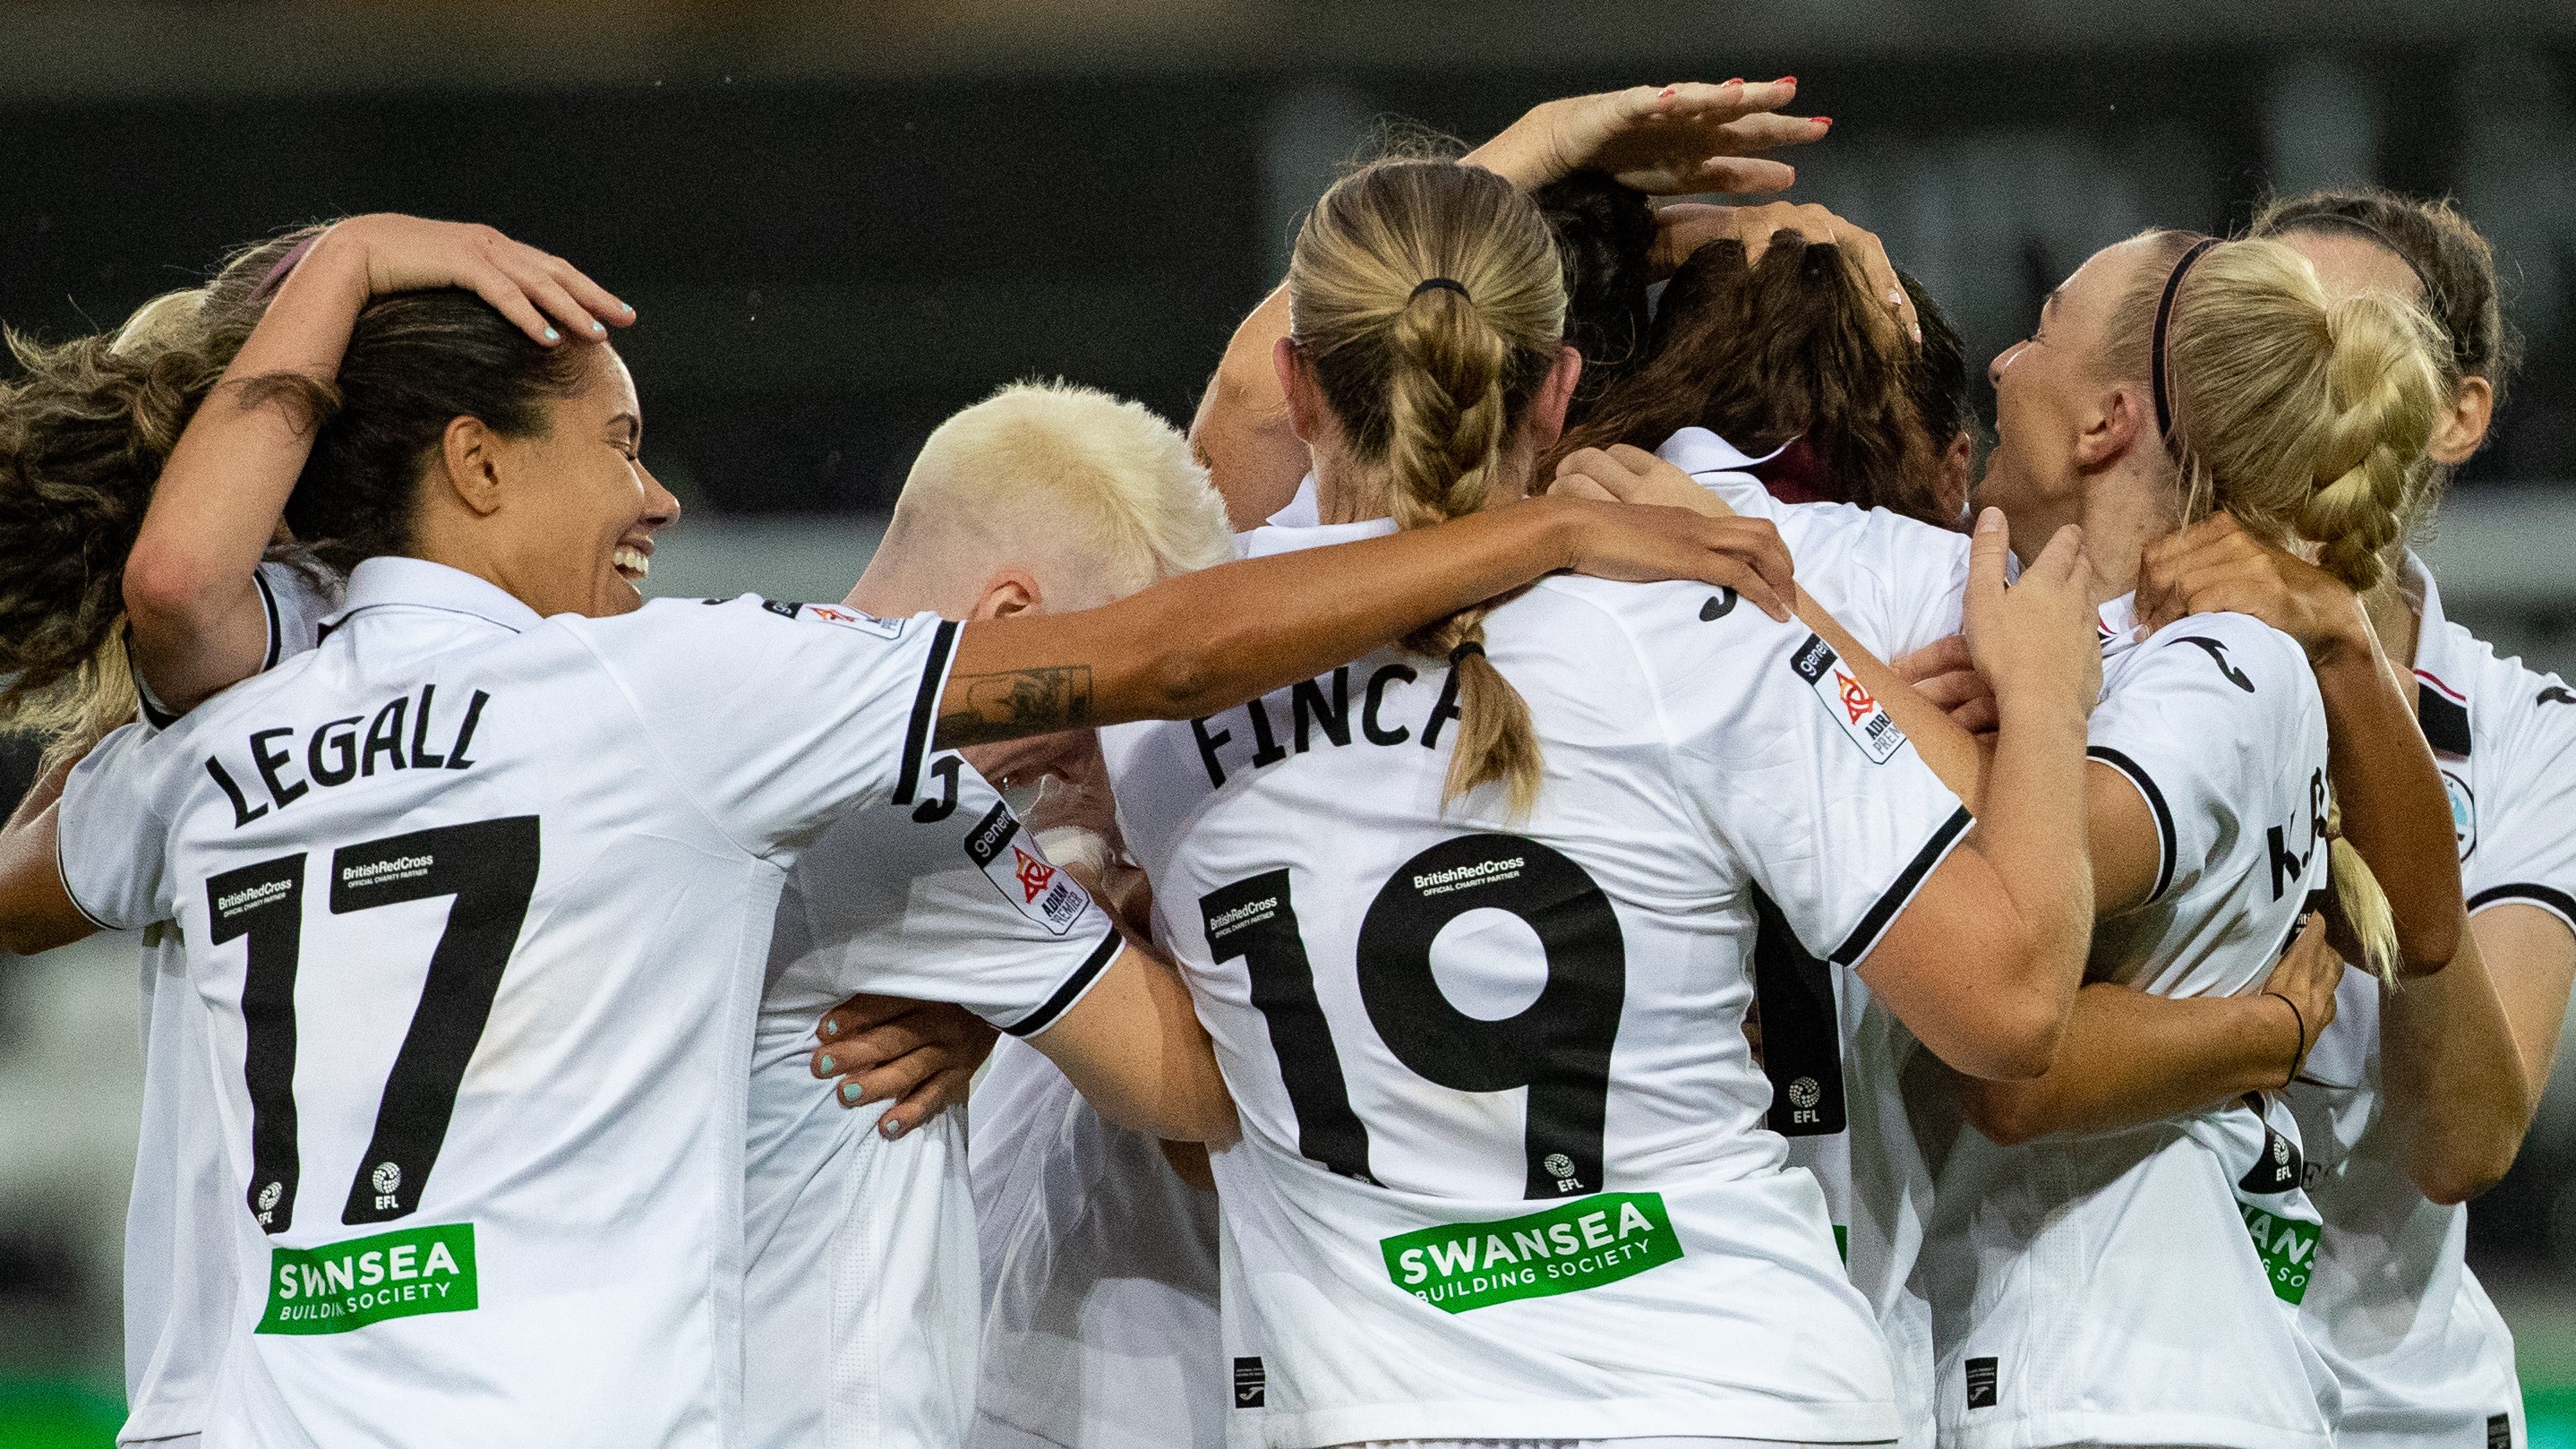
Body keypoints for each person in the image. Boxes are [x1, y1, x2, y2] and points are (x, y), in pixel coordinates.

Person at [13, 215, 1793, 1448]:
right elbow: (1154, 660)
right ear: (478, 464)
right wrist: (1527, 537)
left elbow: (56, 834)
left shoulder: (199, 752)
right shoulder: (681, 707)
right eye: (621, 444)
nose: (656, 498)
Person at [1101, 152, 2103, 1446]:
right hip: (1737, 1392)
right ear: (1565, 385)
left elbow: (1199, 1114)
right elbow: (2012, 1004)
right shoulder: (1687, 620)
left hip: (1378, 1408)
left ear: (1301, 382)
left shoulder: (1154, 697)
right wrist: (2053, 706)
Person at [2116, 187, 2571, 1449]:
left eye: (2346, 335)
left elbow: (2463, 1137)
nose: (2296, 376)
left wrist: (2341, 657)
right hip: (2136, 1386)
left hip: (2396, 1410)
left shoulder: (2525, 724)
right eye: (2264, 332)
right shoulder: (2089, 652)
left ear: (2455, 414)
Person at [743, 379, 1235, 1449]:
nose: (1100, 771)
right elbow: (1212, 1089)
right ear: (1013, 626)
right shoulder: (913, 800)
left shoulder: (682, 683)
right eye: (1112, 705)